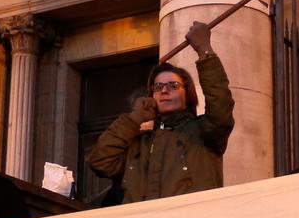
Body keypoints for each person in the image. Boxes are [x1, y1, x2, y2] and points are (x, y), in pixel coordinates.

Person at [88, 21, 234, 201]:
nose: (164, 90)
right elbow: (100, 161)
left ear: (187, 94)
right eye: (158, 87)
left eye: (173, 85)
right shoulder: (138, 143)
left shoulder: (203, 132)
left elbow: (221, 105)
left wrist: (204, 50)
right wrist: (133, 119)